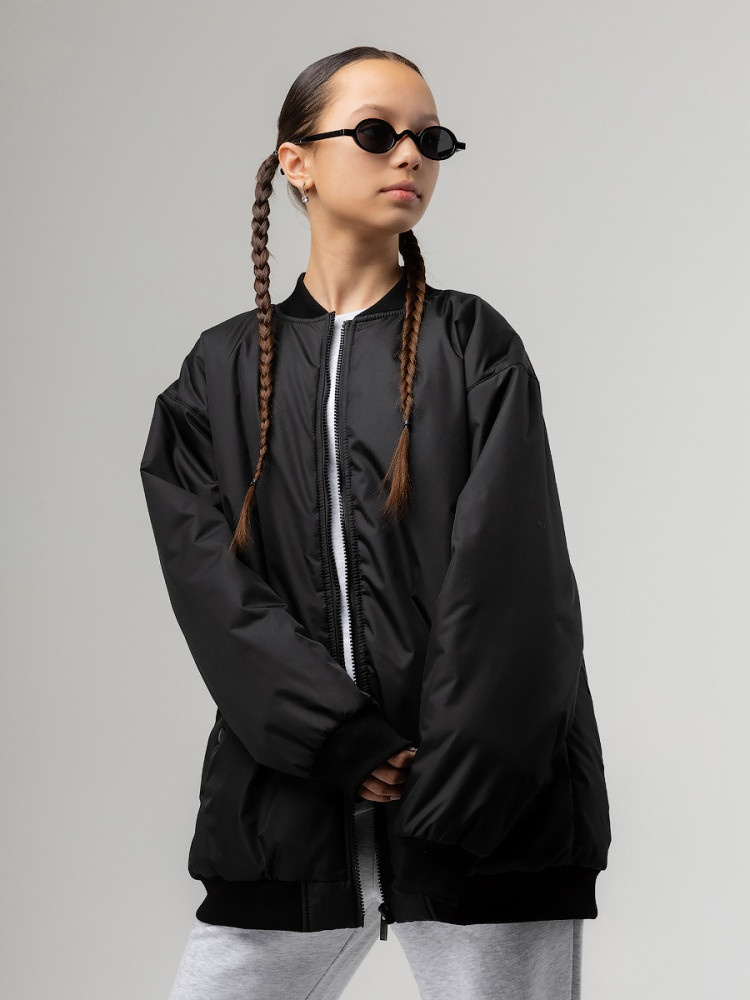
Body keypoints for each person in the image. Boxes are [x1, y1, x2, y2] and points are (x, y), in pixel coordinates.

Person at [140, 45, 611, 1000]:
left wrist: (457, 784)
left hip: (487, 817)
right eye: (376, 132)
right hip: (289, 811)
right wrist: (337, 740)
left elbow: (516, 588)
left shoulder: (473, 346)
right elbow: (214, 597)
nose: (409, 156)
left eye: (430, 139)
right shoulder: (215, 375)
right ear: (297, 162)